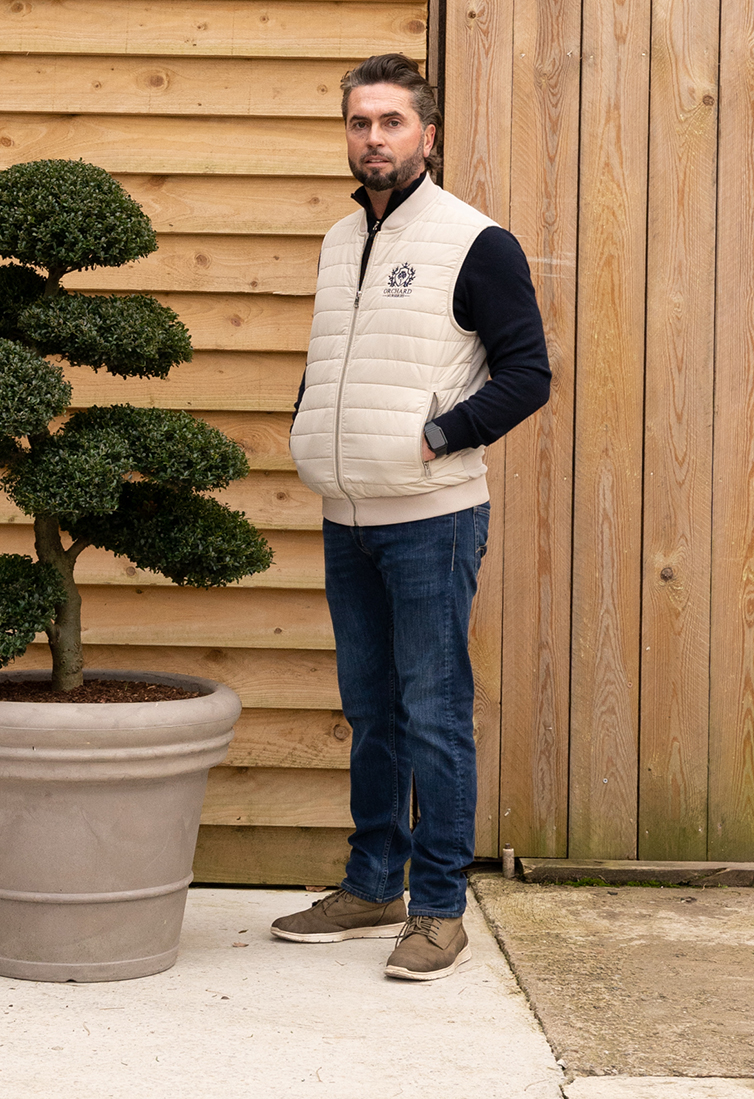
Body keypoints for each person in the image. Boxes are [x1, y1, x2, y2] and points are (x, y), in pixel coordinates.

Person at [271, 53, 551, 980]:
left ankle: (437, 909)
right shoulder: (338, 241)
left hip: (431, 516)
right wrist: (311, 426)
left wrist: (438, 437)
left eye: (391, 122)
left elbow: (527, 375)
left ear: (427, 135)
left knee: (433, 712)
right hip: (347, 516)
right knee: (371, 710)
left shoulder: (477, 242)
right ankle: (371, 886)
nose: (374, 138)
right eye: (360, 122)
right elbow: (333, 358)